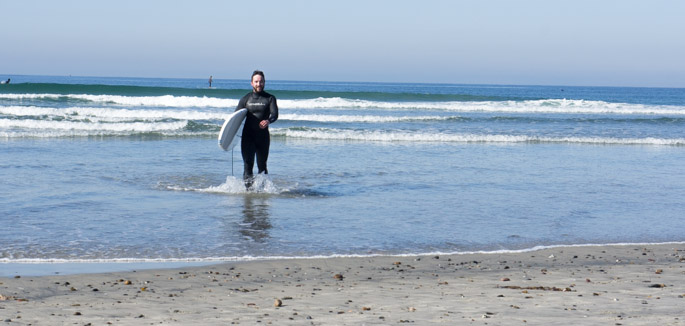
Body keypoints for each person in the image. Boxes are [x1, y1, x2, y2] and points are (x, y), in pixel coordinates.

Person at [236, 70, 278, 188]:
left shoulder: (270, 98)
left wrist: (268, 121)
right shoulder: (245, 99)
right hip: (248, 137)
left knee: (262, 166)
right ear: (251, 83)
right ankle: (248, 195)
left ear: (264, 82)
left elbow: (275, 114)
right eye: (256, 82)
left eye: (261, 81)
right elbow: (236, 117)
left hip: (262, 137)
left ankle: (262, 194)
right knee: (248, 166)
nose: (259, 84)